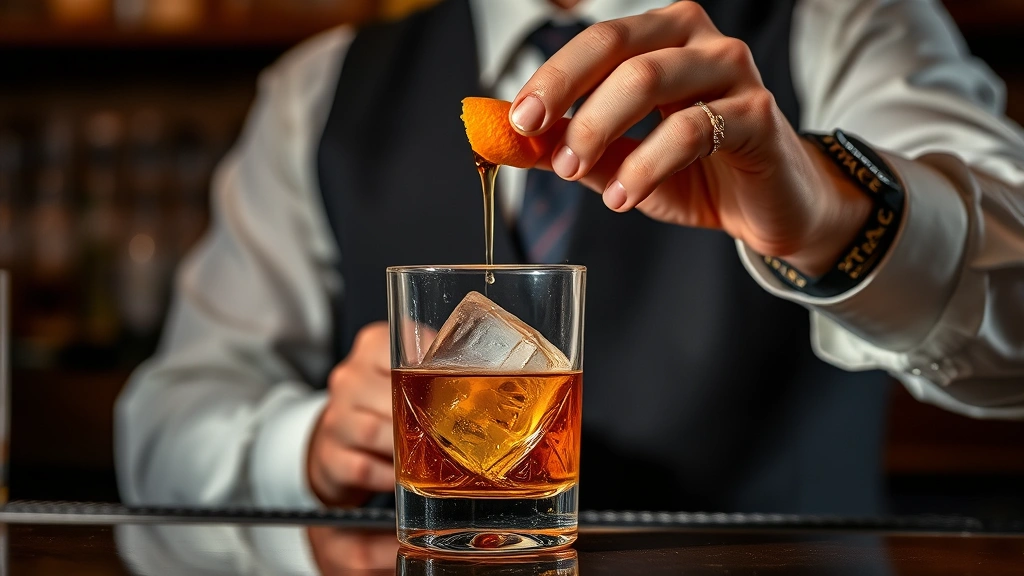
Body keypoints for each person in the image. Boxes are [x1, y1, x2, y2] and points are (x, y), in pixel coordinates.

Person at [115, 0, 1024, 514]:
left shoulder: (847, 22)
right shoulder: (320, 87)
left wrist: (831, 216)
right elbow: (161, 425)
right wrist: (309, 445)